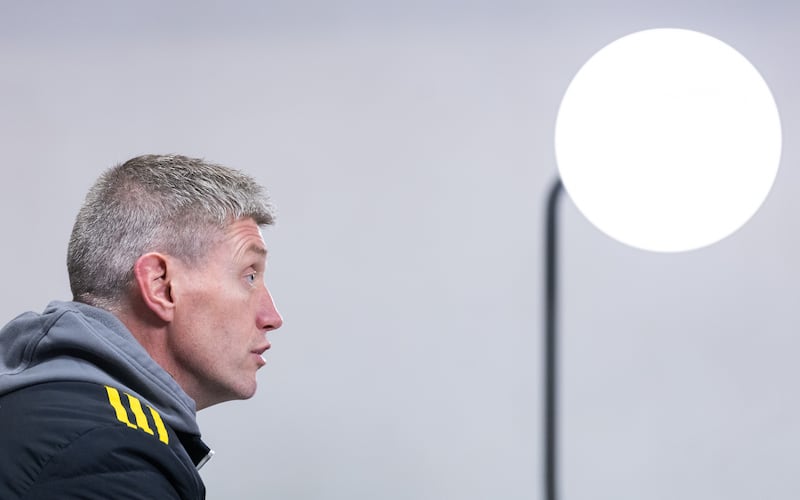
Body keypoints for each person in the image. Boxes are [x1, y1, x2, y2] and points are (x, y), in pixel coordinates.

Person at [0, 154, 284, 499]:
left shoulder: (52, 411)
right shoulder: (103, 458)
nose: (272, 317)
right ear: (160, 285)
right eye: (249, 276)